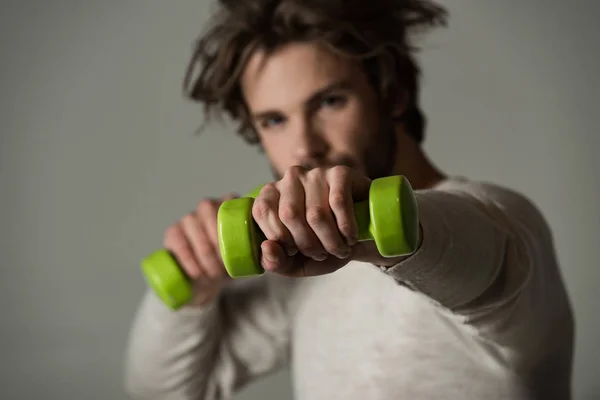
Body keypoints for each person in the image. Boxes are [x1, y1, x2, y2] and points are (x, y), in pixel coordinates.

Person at [124, 0, 574, 399]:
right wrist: (193, 291)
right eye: (275, 120)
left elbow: (485, 264)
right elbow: (163, 392)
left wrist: (402, 230)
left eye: (330, 102)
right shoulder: (300, 277)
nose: (304, 147)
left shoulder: (504, 222)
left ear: (392, 94)